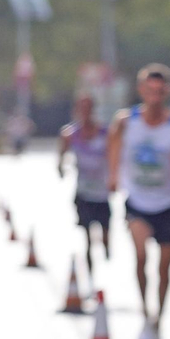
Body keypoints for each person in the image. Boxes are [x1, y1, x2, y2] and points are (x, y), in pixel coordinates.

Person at [106, 64, 170, 339]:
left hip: (168, 204)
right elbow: (113, 148)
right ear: (141, 90)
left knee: (163, 269)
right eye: (149, 90)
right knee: (141, 257)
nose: (154, 96)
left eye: (160, 91)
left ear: (167, 92)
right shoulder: (125, 121)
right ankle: (145, 314)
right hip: (137, 202)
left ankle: (158, 319)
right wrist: (112, 178)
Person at [57, 95, 112, 286]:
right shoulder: (70, 134)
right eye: (82, 108)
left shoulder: (106, 132)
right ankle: (90, 272)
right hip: (83, 192)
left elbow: (116, 155)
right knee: (87, 237)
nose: (85, 112)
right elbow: (61, 155)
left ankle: (106, 242)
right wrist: (61, 167)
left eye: (88, 108)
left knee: (104, 231)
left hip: (103, 193)